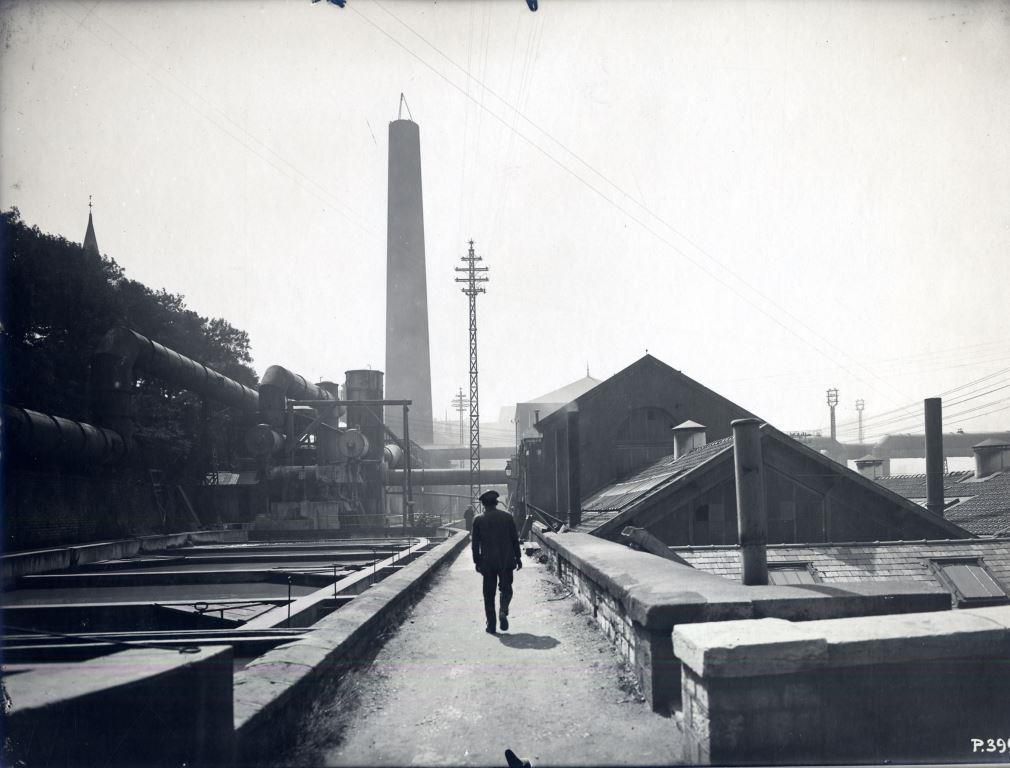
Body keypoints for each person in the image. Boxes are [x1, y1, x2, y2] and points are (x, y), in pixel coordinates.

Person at [471, 490, 522, 633]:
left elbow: (475, 544)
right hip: (506, 560)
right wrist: (518, 558)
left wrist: (477, 562)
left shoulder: (478, 520)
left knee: (488, 593)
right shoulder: (507, 517)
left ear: (483, 504)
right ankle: (503, 611)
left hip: (487, 563)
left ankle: (491, 624)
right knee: (506, 589)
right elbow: (514, 540)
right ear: (496, 503)